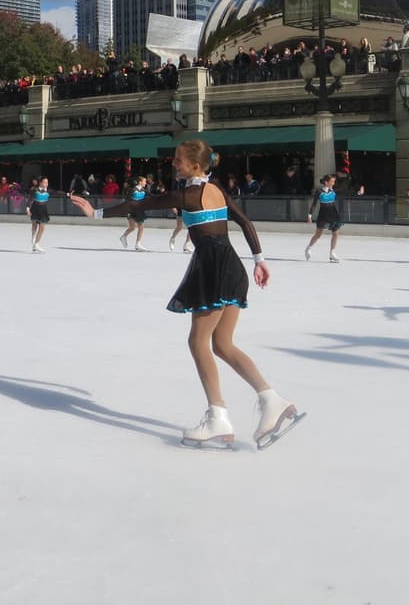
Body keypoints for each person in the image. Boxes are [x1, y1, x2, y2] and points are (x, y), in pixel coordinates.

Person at [68, 140, 299, 449]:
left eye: (178, 160)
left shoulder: (188, 194)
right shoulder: (215, 189)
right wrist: (259, 260)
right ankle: (272, 400)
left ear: (195, 166)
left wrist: (96, 213)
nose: (173, 164)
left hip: (212, 269)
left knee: (198, 342)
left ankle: (218, 417)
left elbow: (141, 205)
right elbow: (244, 221)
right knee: (223, 344)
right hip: (232, 267)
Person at [305, 174, 343, 263]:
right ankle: (308, 248)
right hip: (323, 214)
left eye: (334, 181)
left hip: (333, 214)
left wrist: (358, 193)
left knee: (336, 233)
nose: (333, 183)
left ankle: (332, 253)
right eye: (332, 181)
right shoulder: (319, 191)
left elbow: (345, 192)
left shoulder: (334, 190)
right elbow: (314, 204)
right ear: (326, 182)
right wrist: (309, 215)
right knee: (318, 234)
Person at [26, 176, 69, 252]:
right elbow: (30, 200)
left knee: (42, 227)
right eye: (45, 182)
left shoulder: (48, 191)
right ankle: (33, 237)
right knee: (34, 226)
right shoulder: (34, 190)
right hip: (35, 209)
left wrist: (67, 194)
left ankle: (36, 244)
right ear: (41, 183)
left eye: (47, 182)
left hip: (43, 210)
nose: (47, 184)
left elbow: (57, 192)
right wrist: (28, 209)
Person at [118, 176, 150, 251]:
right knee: (133, 227)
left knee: (139, 227)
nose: (145, 183)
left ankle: (136, 243)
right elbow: (127, 200)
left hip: (139, 210)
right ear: (140, 182)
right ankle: (126, 238)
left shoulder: (144, 190)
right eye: (144, 181)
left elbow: (151, 196)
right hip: (132, 210)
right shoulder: (132, 190)